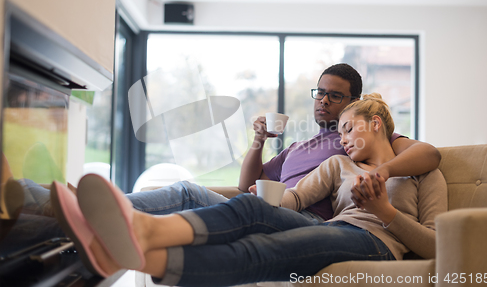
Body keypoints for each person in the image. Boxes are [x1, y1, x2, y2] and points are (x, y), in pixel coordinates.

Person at [51, 93, 448, 286]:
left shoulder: (419, 169)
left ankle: (136, 248)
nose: (341, 139)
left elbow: (436, 246)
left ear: (376, 123)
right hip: (333, 228)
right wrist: (266, 193)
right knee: (251, 209)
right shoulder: (338, 164)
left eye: (348, 128)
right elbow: (292, 201)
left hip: (375, 242)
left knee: (267, 252)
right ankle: (136, 235)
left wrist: (385, 211)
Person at [127, 63, 441, 222]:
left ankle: (114, 208)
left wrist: (381, 172)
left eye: (335, 95)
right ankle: (114, 213)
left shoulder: (360, 141)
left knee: (187, 191)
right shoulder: (297, 148)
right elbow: (246, 184)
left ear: (353, 101)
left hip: (308, 218)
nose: (323, 100)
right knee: (188, 195)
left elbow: (428, 154)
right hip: (271, 209)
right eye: (320, 92)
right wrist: (258, 141)